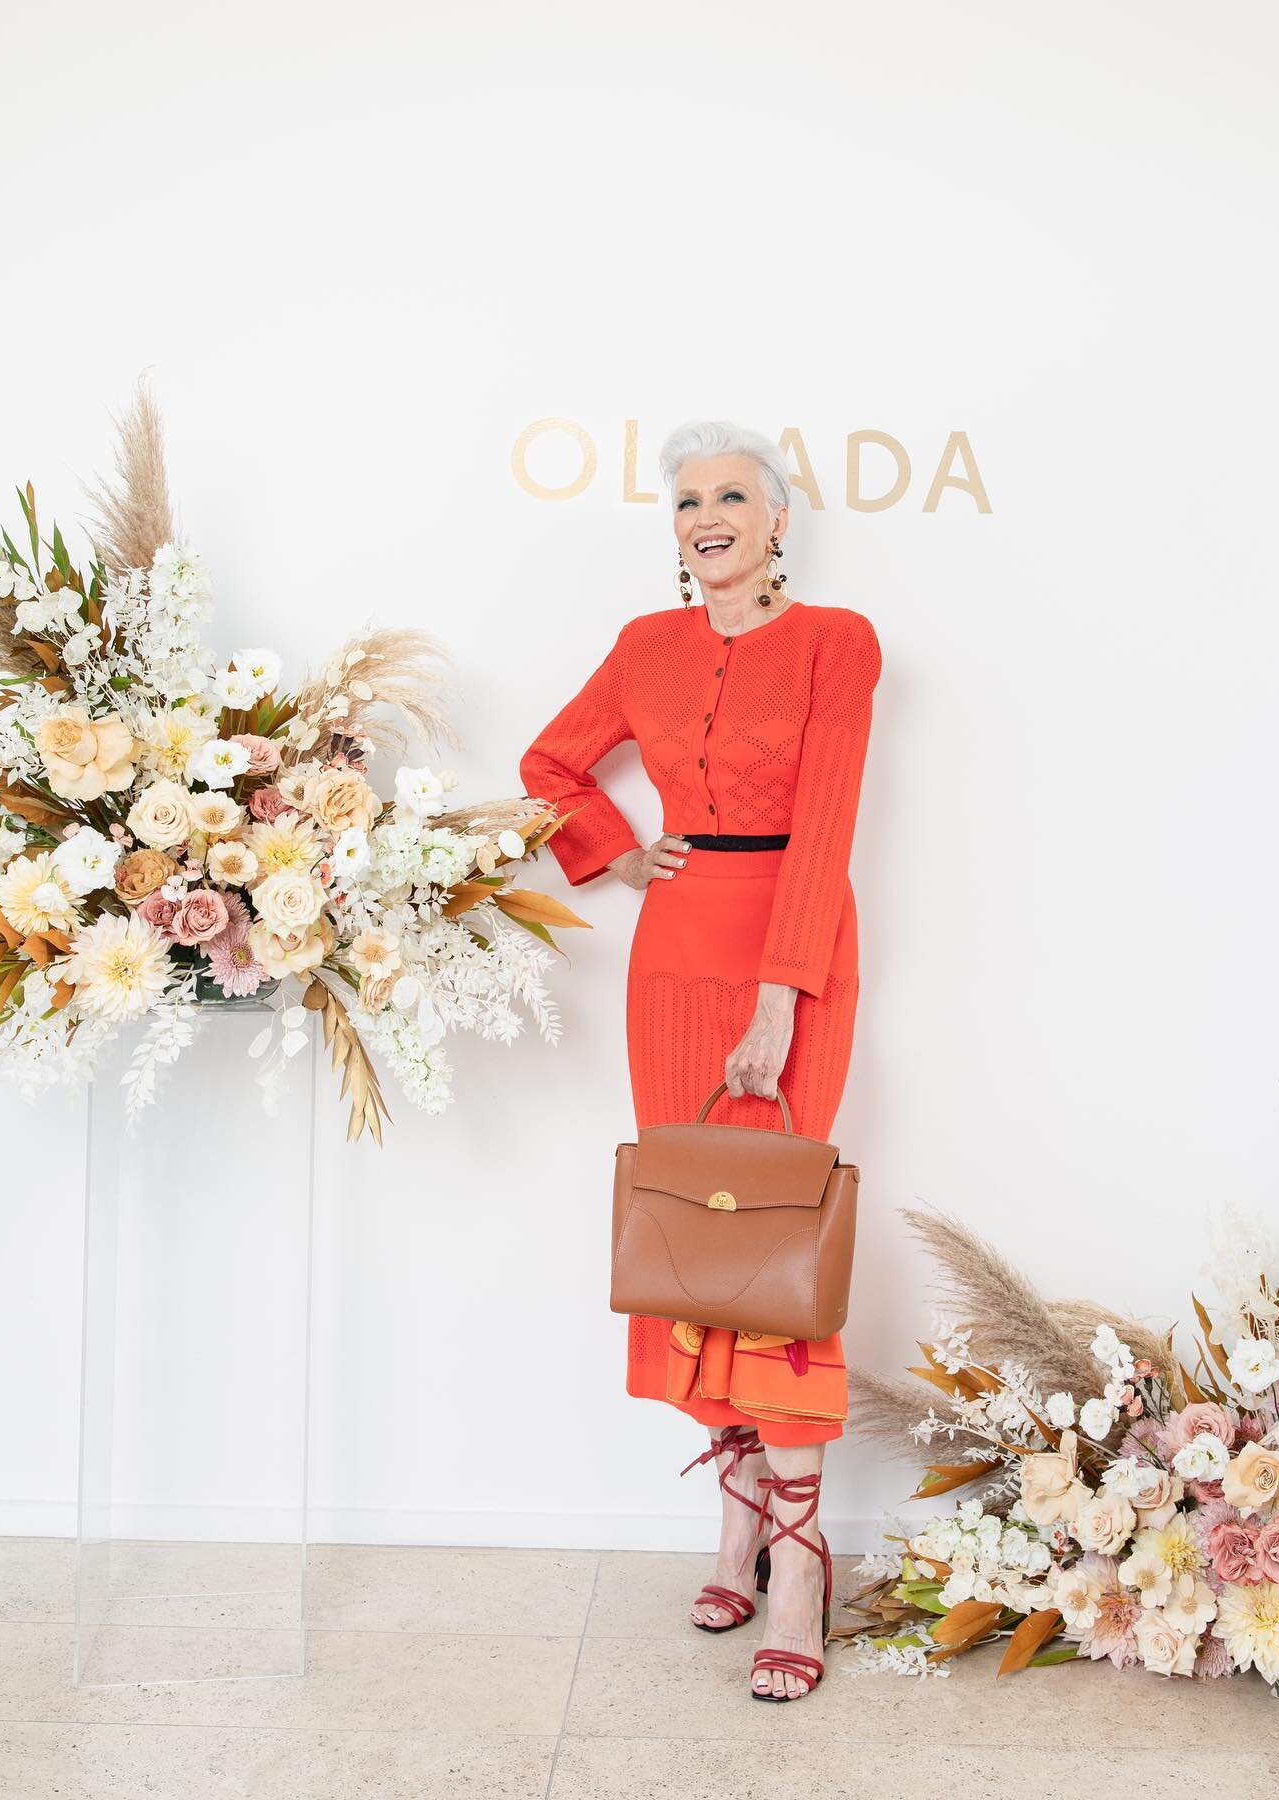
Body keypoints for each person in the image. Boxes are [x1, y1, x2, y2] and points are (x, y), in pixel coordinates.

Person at [518, 419, 881, 1700]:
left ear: (779, 520)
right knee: (694, 1231)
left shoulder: (839, 643)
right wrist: (613, 854)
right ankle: (736, 1513)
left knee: (772, 1233)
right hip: (672, 955)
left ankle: (797, 1555)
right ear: (673, 529)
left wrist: (781, 996)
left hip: (792, 945)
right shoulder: (644, 647)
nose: (708, 516)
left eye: (732, 496)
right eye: (687, 501)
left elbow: (828, 822)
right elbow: (550, 764)